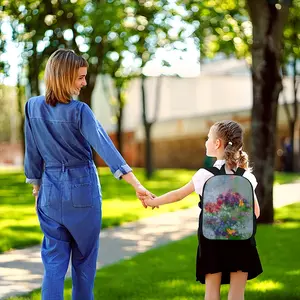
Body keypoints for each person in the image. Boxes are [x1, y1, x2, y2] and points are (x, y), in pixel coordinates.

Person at [24, 48, 153, 300]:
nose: (84, 83)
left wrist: (37, 187)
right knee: (83, 264)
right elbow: (107, 148)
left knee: (53, 265)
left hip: (49, 193)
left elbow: (32, 152)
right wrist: (136, 184)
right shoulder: (79, 111)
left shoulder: (32, 107)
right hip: (82, 191)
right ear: (63, 77)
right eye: (80, 77)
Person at [144, 120, 263, 300]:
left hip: (212, 242)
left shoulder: (204, 175)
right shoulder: (246, 176)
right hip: (241, 241)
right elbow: (256, 212)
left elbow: (178, 195)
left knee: (211, 294)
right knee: (237, 295)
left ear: (217, 144)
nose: (206, 142)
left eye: (208, 138)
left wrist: (154, 202)